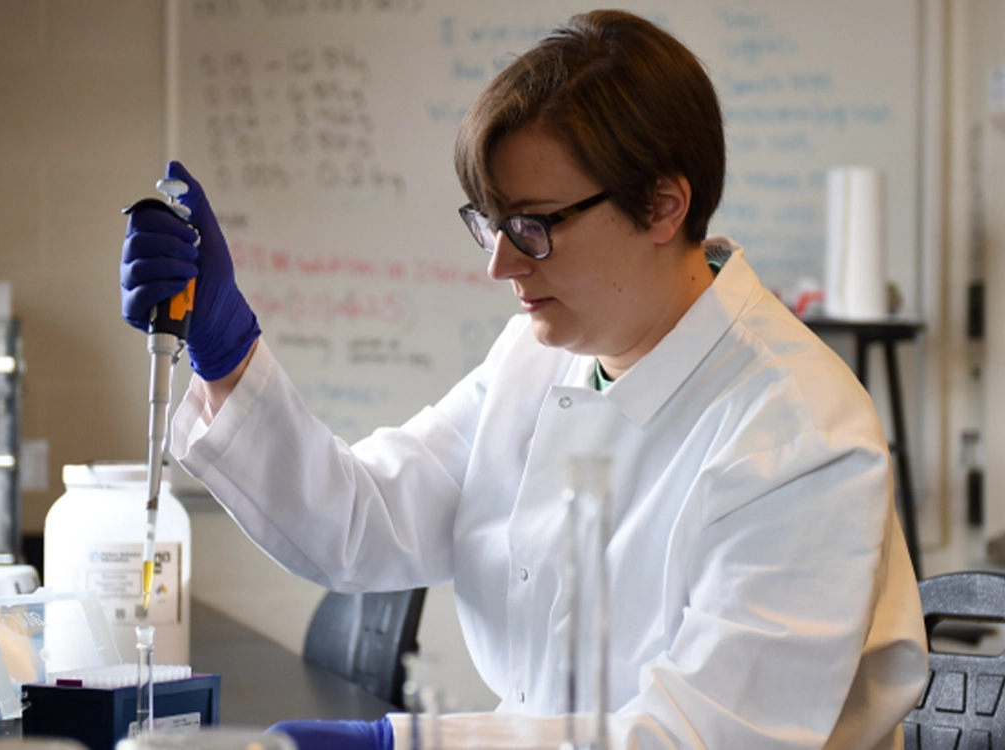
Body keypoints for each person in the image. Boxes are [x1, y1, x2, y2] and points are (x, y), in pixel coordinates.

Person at [120, 9, 927, 750]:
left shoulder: (800, 435)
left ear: (663, 206)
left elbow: (699, 739)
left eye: (533, 225)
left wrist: (410, 744)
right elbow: (361, 525)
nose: (498, 263)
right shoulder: (535, 362)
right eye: (491, 223)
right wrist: (227, 356)